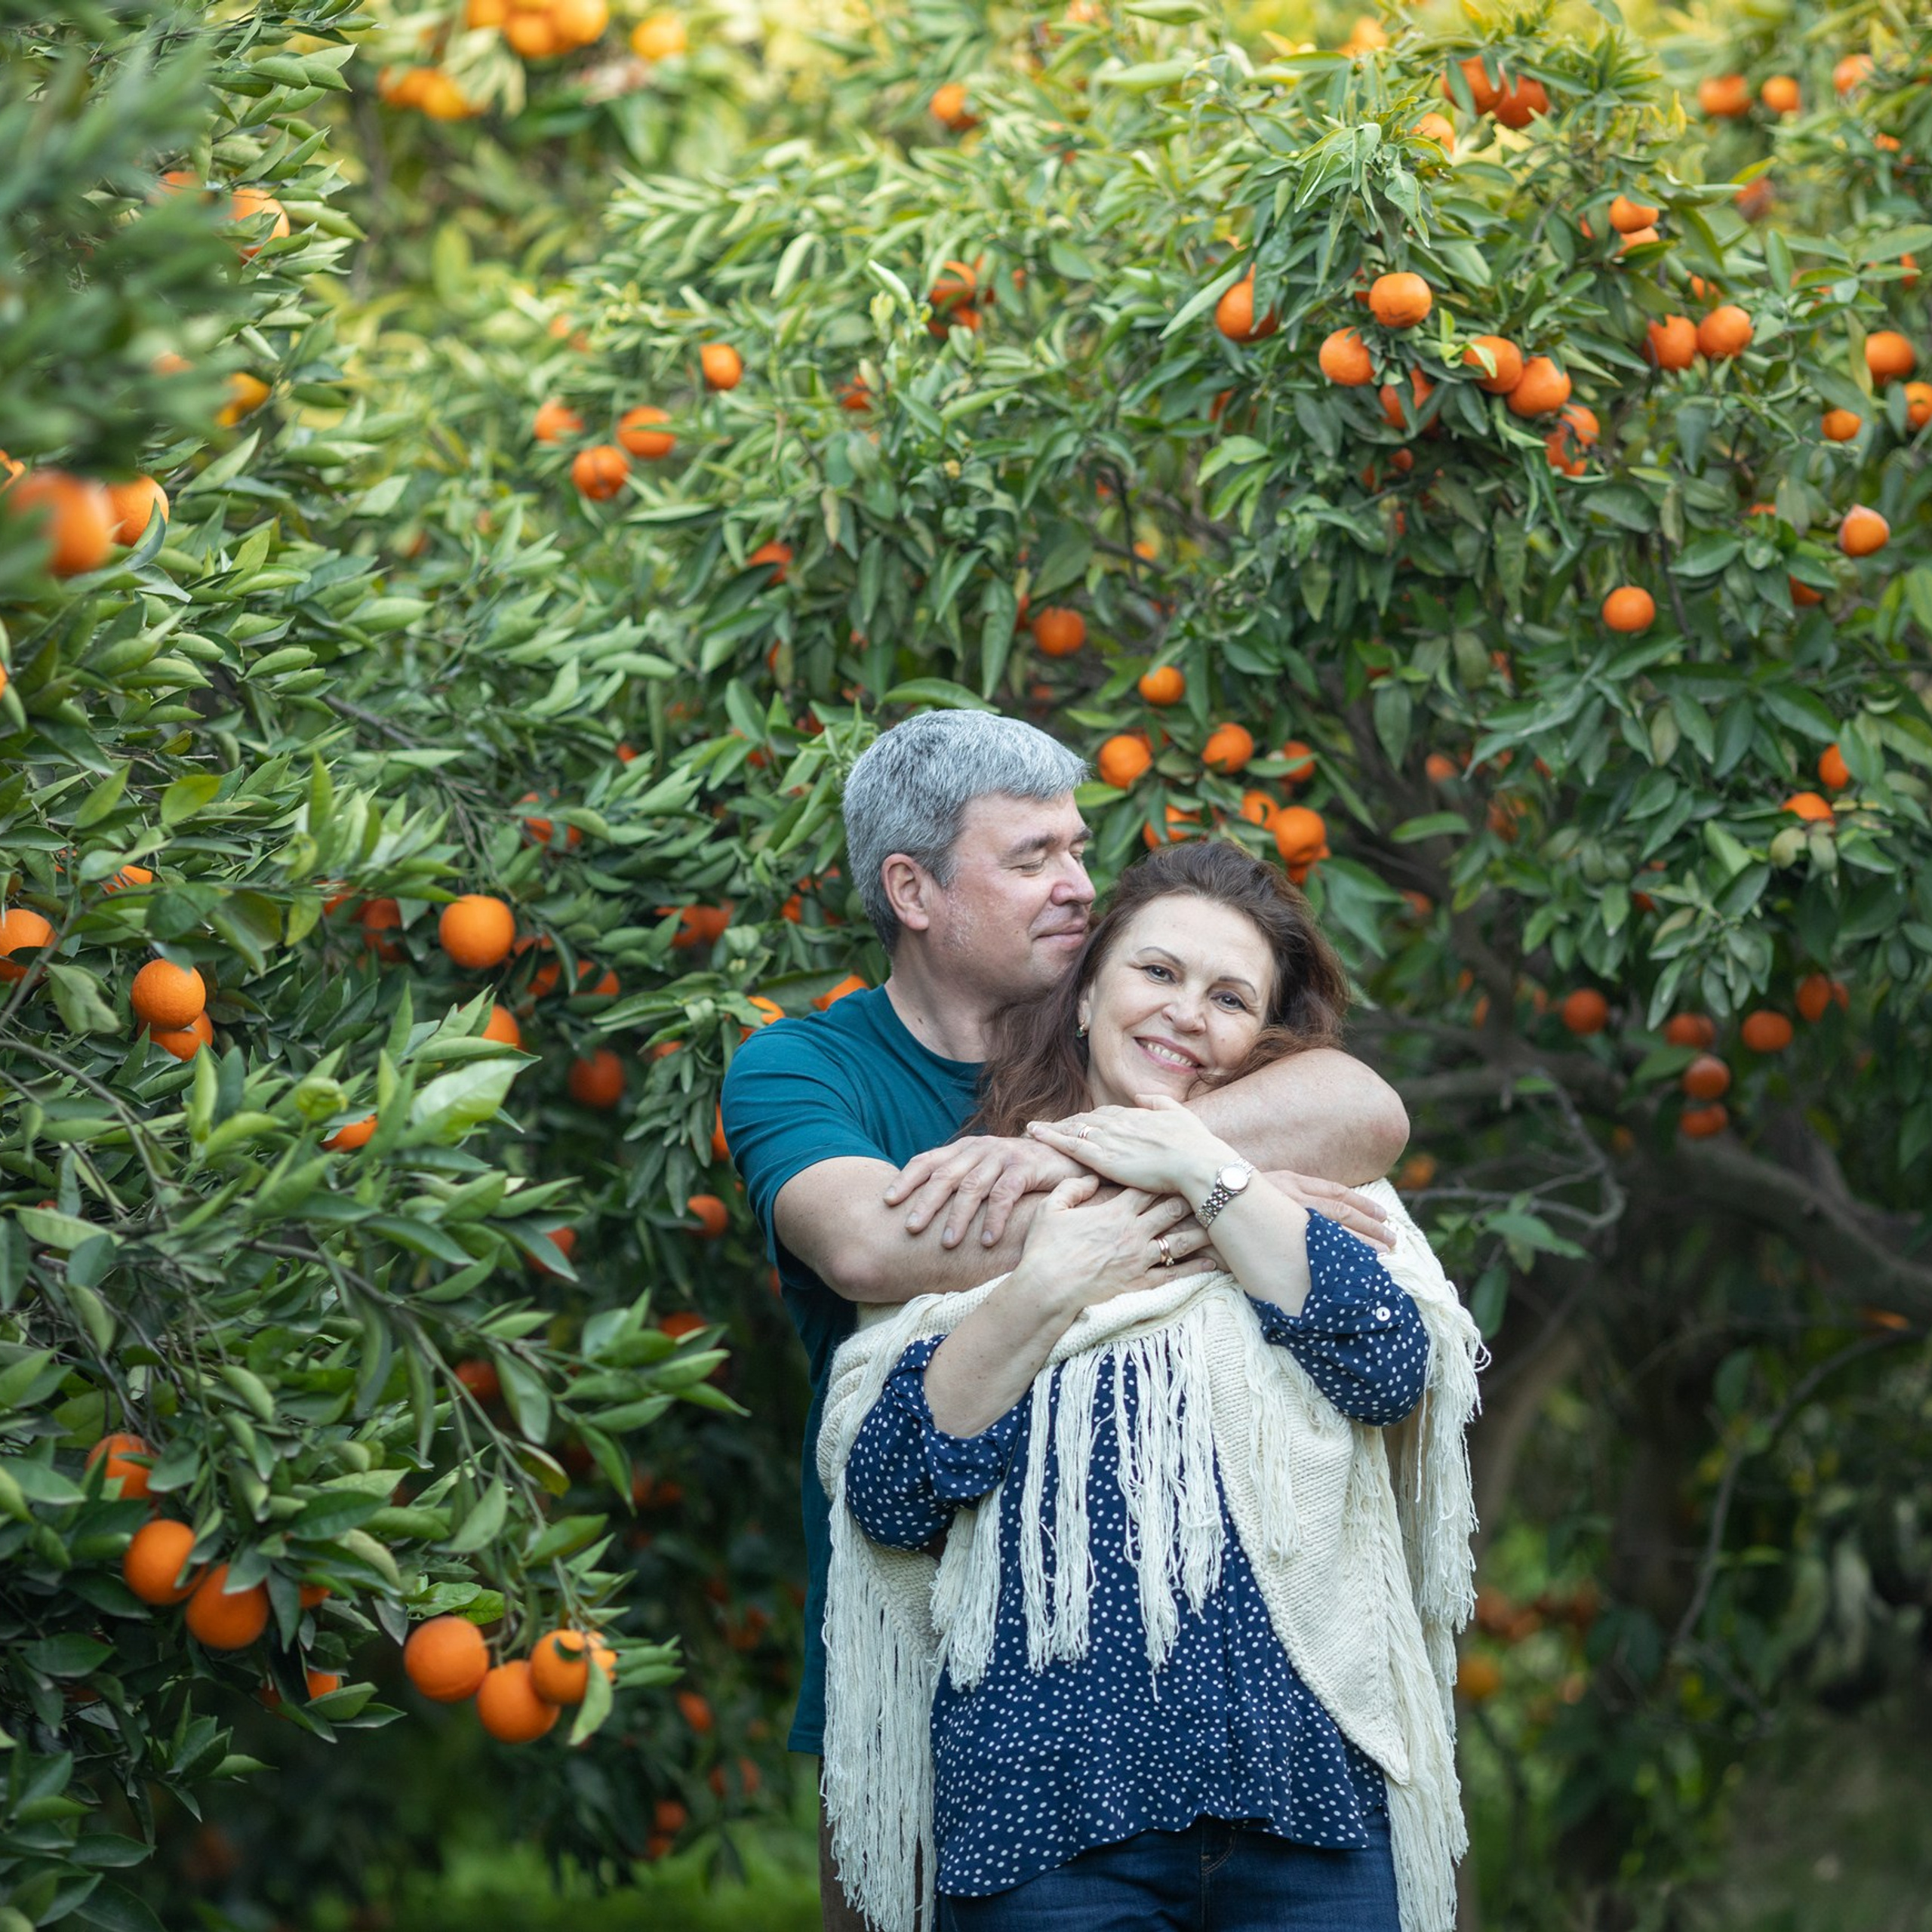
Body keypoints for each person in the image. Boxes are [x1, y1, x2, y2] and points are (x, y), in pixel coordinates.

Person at [721, 711, 1412, 1930]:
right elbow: (875, 1243)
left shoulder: (1175, 1067)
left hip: (1230, 1709)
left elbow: (1364, 1110)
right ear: (912, 889)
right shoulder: (802, 1069)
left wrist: (1156, 1157)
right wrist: (1183, 1190)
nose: (1078, 885)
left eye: (1081, 851)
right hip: (921, 1651)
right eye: (1033, 856)